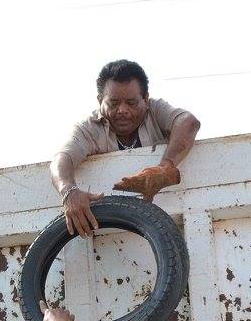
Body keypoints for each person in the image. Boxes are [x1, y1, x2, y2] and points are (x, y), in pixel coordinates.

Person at [51, 58, 201, 238]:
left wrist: (165, 167)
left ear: (145, 99)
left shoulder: (155, 110)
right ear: (100, 101)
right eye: (113, 103)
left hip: (168, 226)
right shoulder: (89, 128)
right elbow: (62, 158)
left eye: (131, 103)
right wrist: (69, 191)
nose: (122, 110)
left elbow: (189, 122)